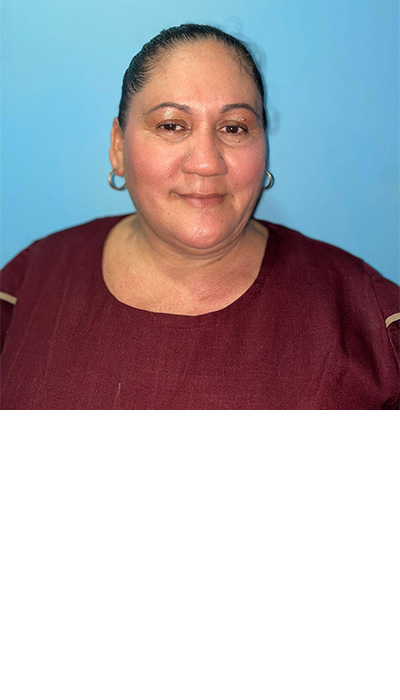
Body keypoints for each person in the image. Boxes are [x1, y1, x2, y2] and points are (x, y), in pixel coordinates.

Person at [0, 23, 399, 410]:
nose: (206, 163)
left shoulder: (373, 320)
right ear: (118, 147)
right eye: (172, 125)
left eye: (234, 128)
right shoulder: (28, 284)